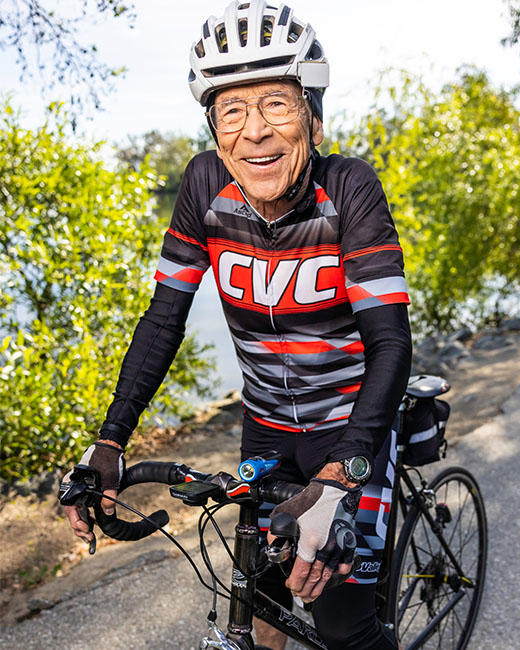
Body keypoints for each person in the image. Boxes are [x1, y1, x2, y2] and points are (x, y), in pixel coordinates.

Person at [63, 2, 412, 648]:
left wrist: (339, 478)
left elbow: (389, 342)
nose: (254, 131)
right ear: (214, 128)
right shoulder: (202, 188)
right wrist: (109, 442)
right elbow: (164, 317)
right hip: (265, 428)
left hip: (347, 428)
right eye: (232, 111)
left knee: (343, 625)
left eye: (276, 105)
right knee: (258, 594)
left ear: (310, 113)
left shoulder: (349, 189)